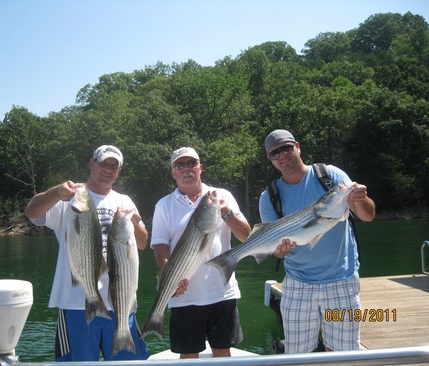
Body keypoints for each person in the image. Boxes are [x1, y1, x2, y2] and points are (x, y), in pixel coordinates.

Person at [24, 145, 149, 362]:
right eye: (103, 164)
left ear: (118, 171)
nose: (108, 170)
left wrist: (136, 223)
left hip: (120, 303)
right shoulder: (69, 197)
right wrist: (55, 192)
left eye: (114, 166)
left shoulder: (124, 201)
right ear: (92, 163)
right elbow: (32, 213)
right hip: (75, 304)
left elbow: (142, 243)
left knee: (127, 361)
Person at [259, 129, 376, 354]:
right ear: (270, 159)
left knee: (344, 354)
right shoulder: (269, 196)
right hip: (298, 284)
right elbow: (277, 251)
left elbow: (367, 215)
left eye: (286, 147)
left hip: (342, 281)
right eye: (275, 153)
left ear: (298, 146)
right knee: (296, 355)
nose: (282, 155)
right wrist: (280, 251)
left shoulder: (330, 176)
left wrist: (360, 200)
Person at [150, 147, 252, 359]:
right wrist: (172, 278)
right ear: (173, 173)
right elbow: (160, 247)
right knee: (188, 356)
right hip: (184, 297)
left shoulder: (221, 196)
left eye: (191, 163)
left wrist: (226, 213)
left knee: (223, 353)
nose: (186, 169)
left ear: (200, 168)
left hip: (222, 292)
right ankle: (154, 320)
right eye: (180, 165)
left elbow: (246, 236)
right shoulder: (164, 205)